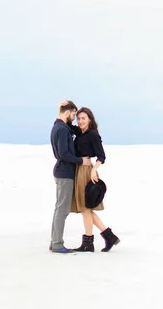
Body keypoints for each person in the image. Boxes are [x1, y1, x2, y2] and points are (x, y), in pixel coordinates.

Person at [70, 106, 120, 252]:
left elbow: (102, 156)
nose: (80, 121)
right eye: (78, 118)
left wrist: (94, 169)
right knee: (86, 209)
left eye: (83, 118)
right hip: (79, 170)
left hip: (86, 171)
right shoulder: (79, 133)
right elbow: (64, 124)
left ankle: (89, 242)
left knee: (86, 208)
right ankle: (108, 237)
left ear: (90, 119)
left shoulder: (93, 135)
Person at [49, 101, 91, 253]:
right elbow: (64, 154)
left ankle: (54, 242)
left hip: (62, 172)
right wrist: (82, 161)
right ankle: (57, 244)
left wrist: (60, 110)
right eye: (74, 115)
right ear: (68, 113)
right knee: (62, 210)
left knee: (58, 208)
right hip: (65, 173)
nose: (75, 119)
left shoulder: (60, 126)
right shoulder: (62, 130)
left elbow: (75, 130)